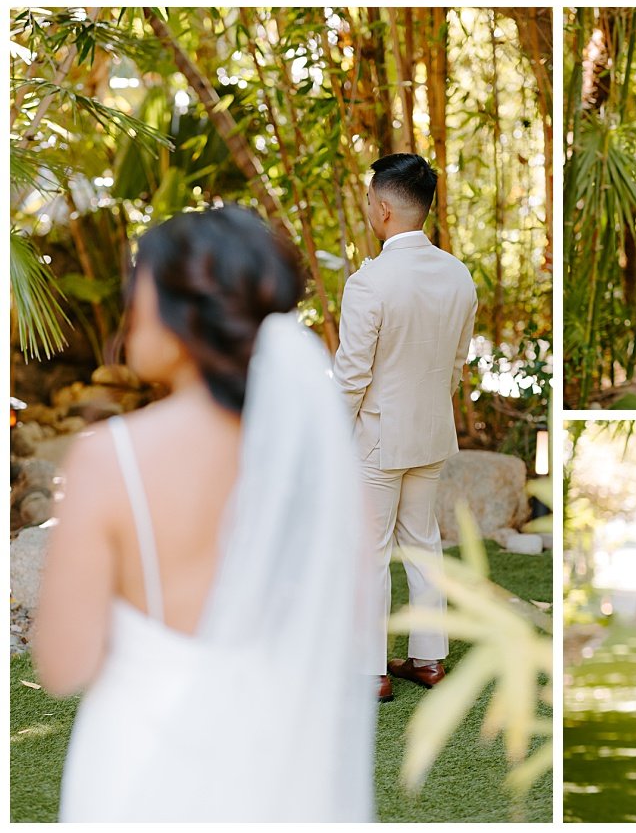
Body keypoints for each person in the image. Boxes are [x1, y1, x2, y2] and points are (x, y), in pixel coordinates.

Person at [34, 207, 375, 821]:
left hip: (139, 768)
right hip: (277, 767)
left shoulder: (109, 460)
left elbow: (64, 664)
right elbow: (348, 621)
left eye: (142, 283)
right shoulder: (317, 464)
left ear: (184, 309)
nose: (130, 301)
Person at [332, 153, 478, 702]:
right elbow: (457, 363)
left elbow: (350, 377)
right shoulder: (458, 275)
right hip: (432, 431)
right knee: (422, 543)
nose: (369, 208)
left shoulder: (369, 283)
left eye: (371, 200)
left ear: (385, 208)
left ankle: (371, 671)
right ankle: (428, 659)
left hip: (378, 437)